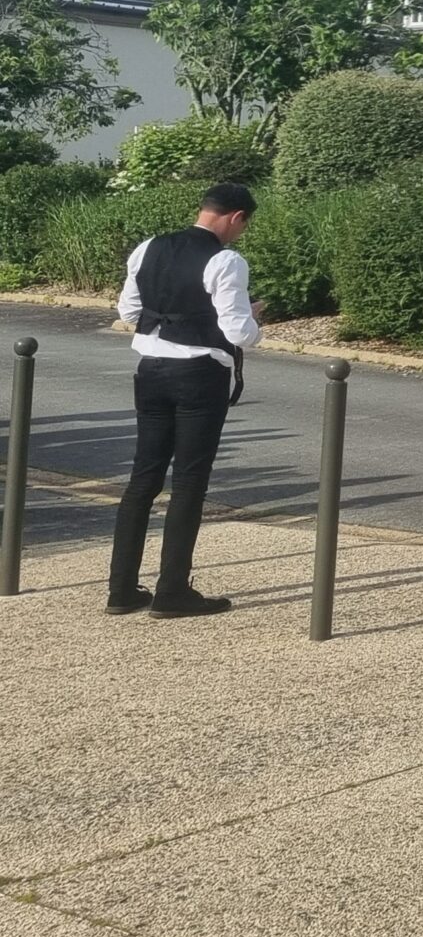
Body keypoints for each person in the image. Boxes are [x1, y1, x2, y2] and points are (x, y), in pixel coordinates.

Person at [108, 183, 265, 618]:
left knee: (143, 479)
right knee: (189, 483)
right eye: (243, 225)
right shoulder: (226, 260)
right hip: (199, 376)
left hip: (151, 371)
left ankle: (120, 590)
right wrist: (254, 322)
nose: (241, 234)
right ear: (236, 217)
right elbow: (238, 333)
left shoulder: (148, 248)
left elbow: (128, 312)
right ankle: (172, 590)